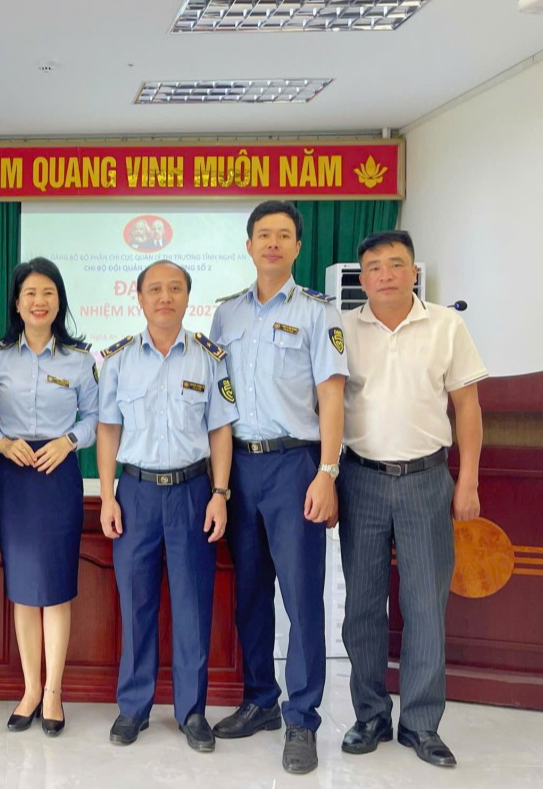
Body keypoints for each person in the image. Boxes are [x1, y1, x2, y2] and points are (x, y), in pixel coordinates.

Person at [208, 200, 348, 774]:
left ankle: (303, 718)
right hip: (240, 469)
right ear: (248, 245)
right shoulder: (225, 315)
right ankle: (261, 700)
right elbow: (218, 400)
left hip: (295, 467)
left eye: (283, 235)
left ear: (297, 246)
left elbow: (332, 397)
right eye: (263, 234)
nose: (272, 243)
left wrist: (327, 472)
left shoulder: (319, 312)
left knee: (301, 596)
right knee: (249, 593)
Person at [337, 230, 486, 769]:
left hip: (426, 480)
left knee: (425, 605)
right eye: (374, 266)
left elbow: (467, 407)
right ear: (362, 277)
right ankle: (370, 715)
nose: (385, 274)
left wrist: (467, 481)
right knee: (362, 607)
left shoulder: (446, 325)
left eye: (396, 264)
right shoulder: (343, 329)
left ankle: (421, 723)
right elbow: (326, 404)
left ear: (413, 271)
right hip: (361, 479)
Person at [96, 260, 237, 753]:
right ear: (139, 298)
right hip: (135, 493)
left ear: (187, 297)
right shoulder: (118, 359)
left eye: (175, 288)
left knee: (192, 606)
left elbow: (221, 430)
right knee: (136, 604)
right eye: (154, 289)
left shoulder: (208, 358)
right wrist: (107, 494)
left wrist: (220, 493)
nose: (165, 297)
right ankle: (133, 707)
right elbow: (108, 429)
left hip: (192, 492)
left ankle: (191, 711)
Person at [0, 257, 98, 737]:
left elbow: (96, 416)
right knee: (24, 589)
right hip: (15, 475)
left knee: (56, 587)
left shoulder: (79, 359)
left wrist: (69, 442)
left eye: (48, 292)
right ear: (17, 302)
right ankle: (29, 689)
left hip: (57, 474)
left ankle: (53, 693)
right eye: (30, 293)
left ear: (59, 301)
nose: (39, 301)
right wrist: (2, 444)